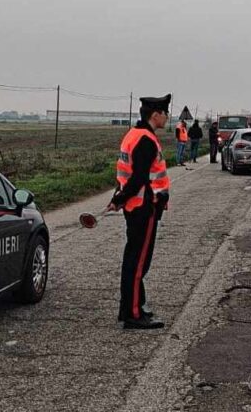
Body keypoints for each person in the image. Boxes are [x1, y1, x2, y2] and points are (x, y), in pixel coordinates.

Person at [108, 94, 171, 330]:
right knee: (137, 263)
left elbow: (124, 174)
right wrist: (121, 197)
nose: (167, 117)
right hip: (144, 208)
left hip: (134, 206)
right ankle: (133, 314)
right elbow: (138, 178)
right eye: (165, 113)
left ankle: (134, 305)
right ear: (155, 114)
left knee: (134, 259)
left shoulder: (133, 135)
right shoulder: (146, 139)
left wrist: (119, 197)